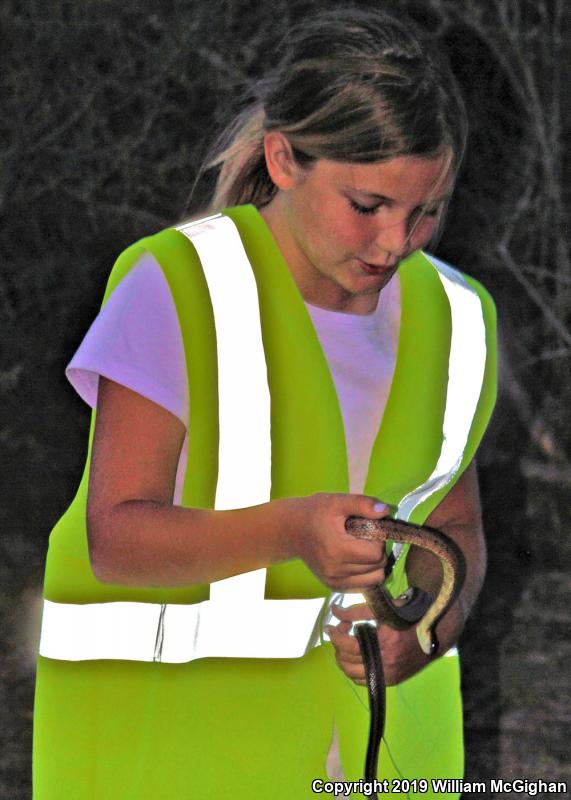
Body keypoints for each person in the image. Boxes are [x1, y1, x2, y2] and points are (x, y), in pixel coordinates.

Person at [33, 7, 496, 799]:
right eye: (367, 205)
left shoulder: (455, 315)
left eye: (426, 211)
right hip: (187, 755)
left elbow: (452, 530)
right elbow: (117, 538)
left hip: (384, 761)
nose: (395, 242)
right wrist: (290, 531)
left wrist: (423, 629)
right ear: (283, 160)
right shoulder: (175, 286)